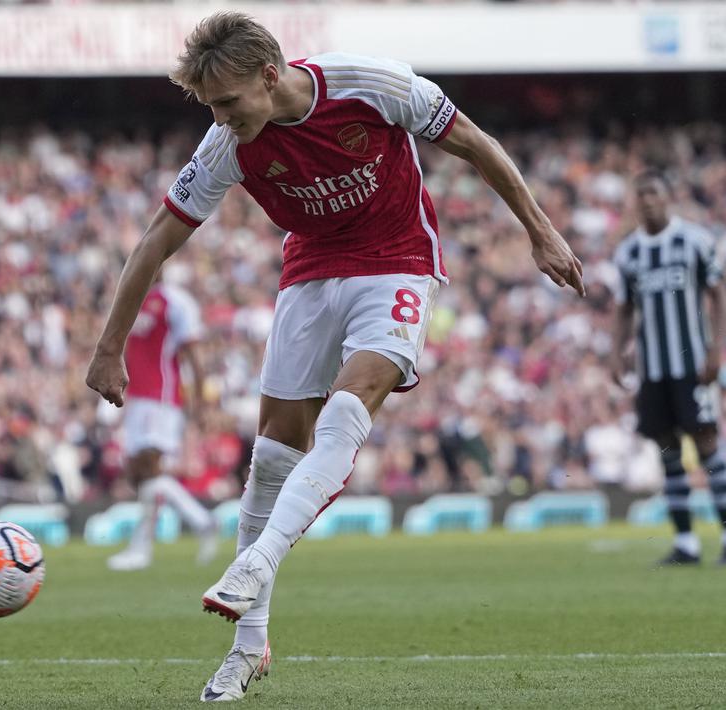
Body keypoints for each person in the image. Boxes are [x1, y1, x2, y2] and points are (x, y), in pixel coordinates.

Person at [85, 12, 585, 703]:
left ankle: (258, 559)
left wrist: (541, 232)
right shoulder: (226, 144)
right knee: (271, 457)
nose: (221, 118)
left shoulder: (370, 84)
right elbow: (155, 240)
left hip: (397, 260)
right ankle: (247, 647)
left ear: (270, 76)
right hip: (311, 270)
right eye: (210, 107)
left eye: (227, 102)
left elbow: (474, 143)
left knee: (348, 410)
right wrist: (108, 347)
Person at [611, 171, 726, 566]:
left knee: (707, 444)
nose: (647, 201)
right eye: (640, 194)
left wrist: (717, 348)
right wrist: (616, 353)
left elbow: (717, 293)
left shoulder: (694, 240)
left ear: (667, 197)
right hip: (653, 369)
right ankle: (686, 544)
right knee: (667, 449)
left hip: (692, 364)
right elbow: (623, 308)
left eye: (653, 193)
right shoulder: (628, 252)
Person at [107, 272, 218, 571]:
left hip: (161, 397)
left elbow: (193, 354)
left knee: (149, 468)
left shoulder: (176, 301)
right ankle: (201, 521)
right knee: (138, 475)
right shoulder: (132, 296)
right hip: (137, 399)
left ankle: (143, 547)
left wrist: (200, 403)